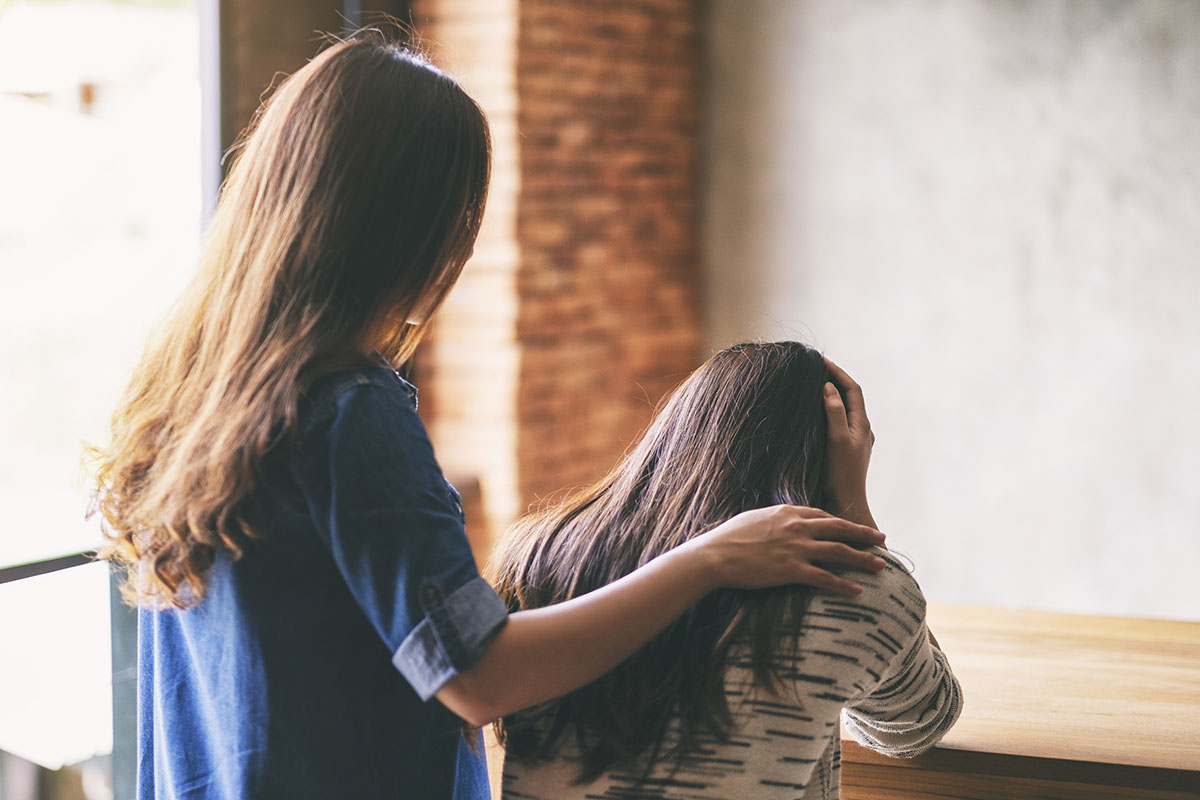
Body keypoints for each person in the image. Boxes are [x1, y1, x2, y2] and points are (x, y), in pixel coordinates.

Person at [87, 36, 889, 800]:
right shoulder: (346, 413)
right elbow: (480, 676)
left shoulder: (193, 397)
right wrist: (711, 558)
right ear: (407, 233)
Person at [489, 341, 963, 800]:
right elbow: (922, 719)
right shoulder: (853, 588)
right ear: (835, 454)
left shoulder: (537, 553)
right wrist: (853, 509)